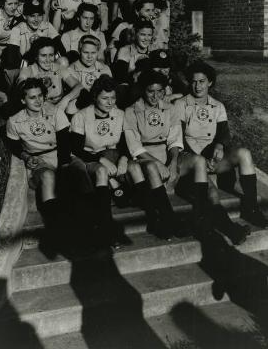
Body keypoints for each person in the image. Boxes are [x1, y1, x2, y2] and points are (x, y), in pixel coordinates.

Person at [175, 61, 268, 232]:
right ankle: (226, 226)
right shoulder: (181, 105)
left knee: (244, 153)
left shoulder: (217, 106)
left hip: (211, 158)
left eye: (202, 81)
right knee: (210, 191)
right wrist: (201, 159)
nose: (197, 86)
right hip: (190, 158)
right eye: (194, 81)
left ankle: (251, 208)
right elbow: (179, 137)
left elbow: (224, 133)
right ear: (189, 82)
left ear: (210, 82)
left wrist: (219, 145)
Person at [6, 78, 71, 248]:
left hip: (59, 154)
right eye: (32, 97)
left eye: (40, 96)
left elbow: (65, 142)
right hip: (38, 160)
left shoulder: (55, 111)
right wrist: (26, 157)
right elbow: (13, 145)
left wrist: (64, 166)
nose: (38, 100)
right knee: (48, 176)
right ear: (23, 100)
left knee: (76, 176)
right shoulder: (14, 120)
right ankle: (54, 228)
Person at [70, 75, 128, 247]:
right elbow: (77, 149)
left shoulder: (120, 114)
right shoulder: (81, 116)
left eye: (113, 98)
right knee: (102, 172)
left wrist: (124, 158)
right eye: (104, 98)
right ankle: (107, 229)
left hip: (113, 156)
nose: (109, 102)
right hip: (88, 158)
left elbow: (126, 143)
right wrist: (101, 159)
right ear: (95, 97)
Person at [123, 71, 182, 239]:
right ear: (143, 90)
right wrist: (159, 164)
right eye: (150, 91)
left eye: (160, 91)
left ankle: (161, 221)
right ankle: (169, 218)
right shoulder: (132, 110)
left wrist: (173, 161)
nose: (155, 96)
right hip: (142, 158)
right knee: (150, 166)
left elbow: (175, 138)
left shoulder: (170, 108)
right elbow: (134, 147)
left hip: (164, 153)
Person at [5, 0, 64, 90]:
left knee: (63, 60)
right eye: (32, 16)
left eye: (39, 15)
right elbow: (12, 59)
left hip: (45, 64)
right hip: (25, 66)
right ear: (24, 16)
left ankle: (61, 88)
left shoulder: (47, 26)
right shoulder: (17, 29)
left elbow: (61, 50)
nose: (36, 20)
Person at [18, 37, 82, 110]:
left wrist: (65, 100)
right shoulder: (28, 70)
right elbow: (20, 88)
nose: (48, 60)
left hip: (59, 108)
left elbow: (79, 86)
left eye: (51, 55)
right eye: (43, 55)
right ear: (36, 56)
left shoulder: (58, 68)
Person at [67, 35, 112, 114]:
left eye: (93, 53)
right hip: (81, 105)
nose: (89, 57)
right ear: (79, 51)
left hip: (101, 104)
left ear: (98, 52)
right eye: (86, 52)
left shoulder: (105, 69)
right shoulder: (71, 69)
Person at [113, 20, 156, 85]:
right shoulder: (125, 50)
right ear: (134, 34)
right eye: (143, 34)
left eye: (149, 35)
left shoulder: (153, 50)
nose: (146, 38)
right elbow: (120, 78)